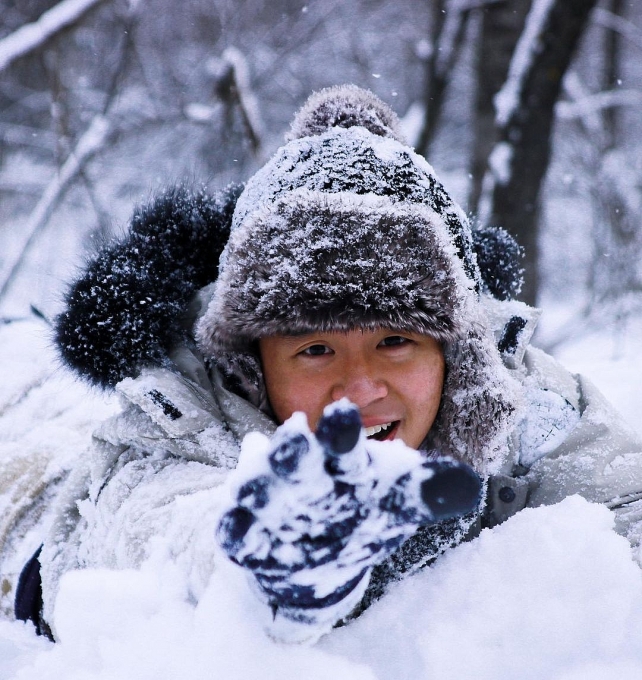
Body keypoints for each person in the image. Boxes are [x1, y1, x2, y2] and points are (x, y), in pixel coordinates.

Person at [7, 85, 642, 644]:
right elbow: (145, 525)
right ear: (252, 365)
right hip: (28, 459)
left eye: (395, 341)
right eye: (315, 349)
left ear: (458, 349)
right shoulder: (176, 417)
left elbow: (624, 498)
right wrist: (268, 562)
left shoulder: (516, 397)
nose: (360, 388)